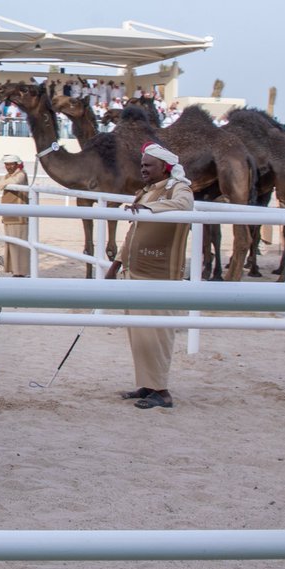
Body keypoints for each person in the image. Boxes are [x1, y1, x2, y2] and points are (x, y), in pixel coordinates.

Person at [110, 142, 194, 409]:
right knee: (140, 334)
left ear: (165, 167)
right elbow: (132, 233)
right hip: (135, 271)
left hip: (160, 275)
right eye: (142, 165)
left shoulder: (178, 188)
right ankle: (147, 386)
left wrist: (150, 209)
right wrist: (115, 265)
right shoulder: (146, 192)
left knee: (157, 333)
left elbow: (183, 205)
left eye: (148, 165)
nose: (143, 169)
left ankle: (162, 392)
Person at [0, 154, 30, 277]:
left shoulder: (21, 175)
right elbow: (0, 180)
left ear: (17, 164)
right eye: (6, 164)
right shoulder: (9, 176)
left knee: (19, 245)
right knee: (12, 244)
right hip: (10, 216)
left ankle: (22, 271)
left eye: (11, 164)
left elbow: (13, 181)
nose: (8, 166)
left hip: (19, 217)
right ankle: (16, 270)